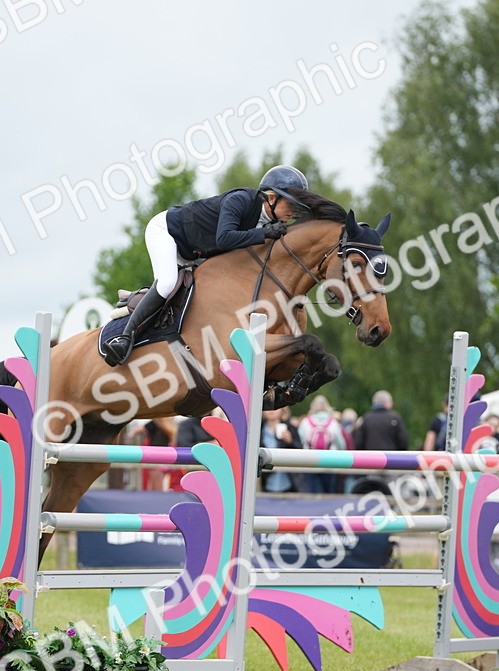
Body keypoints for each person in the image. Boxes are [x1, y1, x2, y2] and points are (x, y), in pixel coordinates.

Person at [99, 165, 309, 366]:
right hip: (168, 233)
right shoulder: (241, 201)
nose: (294, 211)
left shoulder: (270, 223)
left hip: (195, 252)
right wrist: (263, 234)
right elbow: (224, 239)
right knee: (166, 283)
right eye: (291, 204)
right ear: (272, 197)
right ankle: (125, 337)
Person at [298, 396, 348, 494]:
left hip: (310, 463)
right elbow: (342, 445)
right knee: (329, 493)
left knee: (312, 493)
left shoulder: (305, 422)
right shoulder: (333, 423)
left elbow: (300, 441)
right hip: (330, 462)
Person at [261, 408, 303, 492]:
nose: (271, 410)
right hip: (265, 483)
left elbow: (300, 451)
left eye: (276, 407)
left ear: (282, 410)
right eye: (268, 407)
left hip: (289, 483)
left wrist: (290, 442)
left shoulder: (290, 428)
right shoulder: (258, 430)